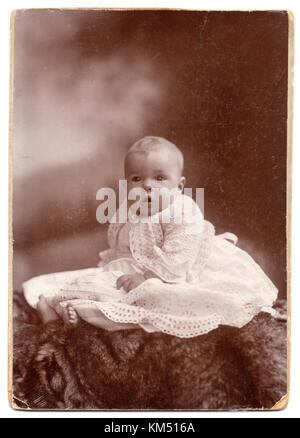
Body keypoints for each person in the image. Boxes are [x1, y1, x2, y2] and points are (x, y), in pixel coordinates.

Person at [23, 136, 278, 338]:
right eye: (136, 179)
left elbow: (180, 255)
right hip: (135, 271)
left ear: (179, 186)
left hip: (174, 273)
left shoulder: (181, 210)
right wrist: (112, 270)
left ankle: (81, 315)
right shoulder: (129, 210)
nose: (147, 185)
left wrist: (147, 276)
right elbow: (120, 248)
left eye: (159, 178)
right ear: (126, 183)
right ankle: (59, 307)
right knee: (92, 284)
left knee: (152, 304)